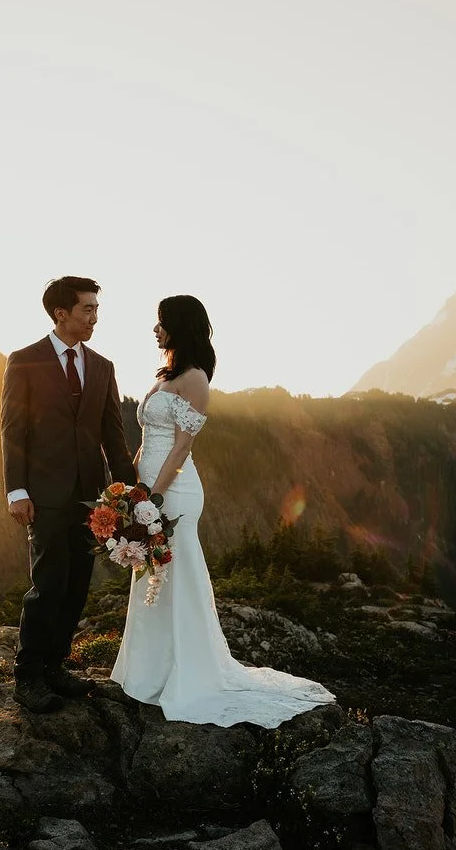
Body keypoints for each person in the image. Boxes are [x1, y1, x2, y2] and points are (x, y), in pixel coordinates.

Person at [111, 295, 335, 728]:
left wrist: (153, 497)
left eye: (160, 323)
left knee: (177, 567)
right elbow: (148, 440)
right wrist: (132, 492)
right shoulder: (165, 376)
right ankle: (148, 671)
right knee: (151, 570)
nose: (154, 330)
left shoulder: (194, 379)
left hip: (175, 490)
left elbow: (181, 445)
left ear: (179, 326)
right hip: (149, 487)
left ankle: (188, 672)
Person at [1, 276, 136, 713]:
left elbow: (114, 436)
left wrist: (129, 493)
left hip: (91, 498)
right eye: (87, 309)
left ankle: (57, 666)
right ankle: (29, 676)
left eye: (96, 308)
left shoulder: (102, 366)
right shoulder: (24, 361)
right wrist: (16, 490)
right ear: (61, 313)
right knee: (47, 584)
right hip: (43, 494)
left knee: (78, 584)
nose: (95, 316)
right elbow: (12, 431)